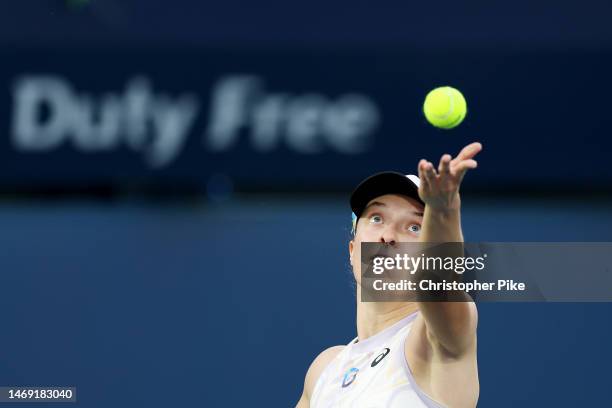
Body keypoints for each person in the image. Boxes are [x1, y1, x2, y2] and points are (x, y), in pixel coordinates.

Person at [296, 142, 482, 408]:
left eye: (415, 227)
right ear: (352, 249)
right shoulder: (324, 371)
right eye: (376, 218)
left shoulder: (429, 341)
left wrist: (443, 213)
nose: (389, 236)